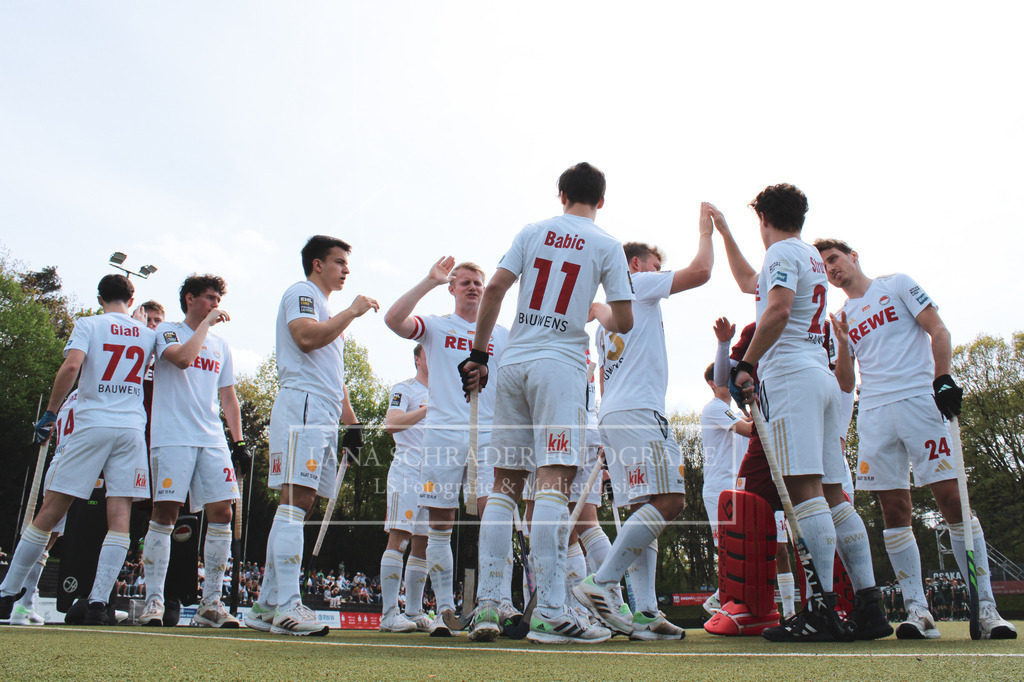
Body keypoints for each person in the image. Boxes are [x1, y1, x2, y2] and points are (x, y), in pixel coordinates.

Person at [462, 161, 635, 644]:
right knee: (554, 485)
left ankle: (489, 607)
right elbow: (623, 320)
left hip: (514, 362)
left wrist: (480, 353)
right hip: (560, 367)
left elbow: (495, 288)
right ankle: (551, 611)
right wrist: (596, 308)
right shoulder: (606, 244)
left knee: (503, 487)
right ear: (601, 201)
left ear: (561, 193)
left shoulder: (533, 230)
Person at [816, 238, 1016, 640]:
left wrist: (943, 378)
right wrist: (840, 342)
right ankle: (918, 611)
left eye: (834, 259)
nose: (831, 268)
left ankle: (988, 609)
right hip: (874, 412)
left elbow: (938, 330)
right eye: (823, 266)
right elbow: (846, 382)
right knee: (894, 508)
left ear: (853, 256)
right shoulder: (842, 316)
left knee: (952, 500)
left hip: (918, 402)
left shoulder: (897, 284)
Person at [713, 186, 887, 642]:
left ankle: (823, 609)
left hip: (790, 377)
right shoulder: (808, 255)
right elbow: (750, 283)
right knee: (833, 493)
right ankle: (869, 605)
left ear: (765, 218)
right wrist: (727, 233)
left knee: (804, 490)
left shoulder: (782, 254)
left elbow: (778, 308)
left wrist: (746, 363)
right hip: (821, 377)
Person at [576, 218, 714, 641]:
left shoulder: (606, 318)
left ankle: (646, 611)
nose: (660, 268)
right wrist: (710, 231)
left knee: (645, 511)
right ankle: (601, 583)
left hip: (615, 416)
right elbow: (702, 272)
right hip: (640, 413)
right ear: (636, 264)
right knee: (671, 501)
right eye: (656, 262)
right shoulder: (639, 284)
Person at [0, 274, 155, 625]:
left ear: (100, 297)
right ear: (132, 300)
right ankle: (98, 601)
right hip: (131, 427)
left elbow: (72, 365)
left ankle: (7, 593)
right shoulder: (148, 333)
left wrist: (51, 413)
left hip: (92, 423)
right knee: (120, 518)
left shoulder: (89, 323)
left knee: (51, 511)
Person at [244, 236, 378, 636]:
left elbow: (334, 376)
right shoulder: (302, 293)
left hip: (320, 408)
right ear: (318, 264)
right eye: (339, 262)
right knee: (295, 498)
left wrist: (350, 422)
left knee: (300, 502)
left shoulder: (326, 310)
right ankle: (287, 605)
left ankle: (267, 604)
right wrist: (353, 311)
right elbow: (305, 338)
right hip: (302, 403)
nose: (346, 270)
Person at [384, 257, 511, 636]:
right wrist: (429, 281)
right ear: (453, 288)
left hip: (489, 433)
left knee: (495, 513)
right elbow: (393, 321)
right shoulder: (437, 327)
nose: (473, 287)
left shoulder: (503, 333)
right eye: (465, 282)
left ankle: (495, 600)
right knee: (440, 524)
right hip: (441, 434)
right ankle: (444, 610)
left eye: (479, 283)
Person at [138, 274, 250, 628]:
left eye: (218, 299)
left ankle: (210, 605)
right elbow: (183, 359)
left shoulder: (221, 346)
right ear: (189, 299)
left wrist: (239, 441)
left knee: (222, 513)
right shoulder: (168, 332)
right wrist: (205, 326)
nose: (216, 304)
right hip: (172, 435)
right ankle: (153, 600)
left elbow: (228, 398)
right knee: (166, 513)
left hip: (211, 437)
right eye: (209, 298)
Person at [378, 344, 431, 633]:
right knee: (400, 539)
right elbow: (391, 423)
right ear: (417, 359)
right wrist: (425, 411)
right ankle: (388, 614)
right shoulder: (405, 388)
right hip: (407, 470)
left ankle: (414, 609)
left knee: (423, 543)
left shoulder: (447, 391)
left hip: (434, 474)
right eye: (429, 354)